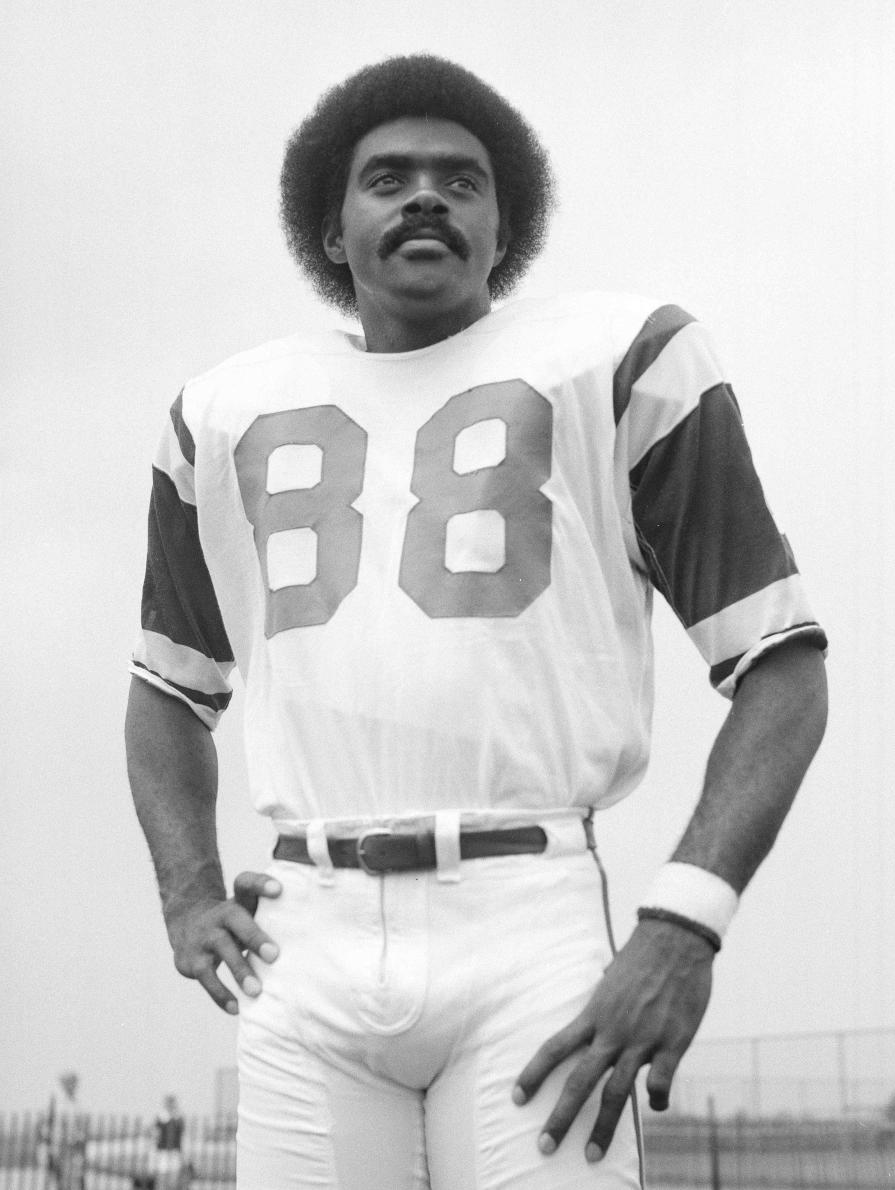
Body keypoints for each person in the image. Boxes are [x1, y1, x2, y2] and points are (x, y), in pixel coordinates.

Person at [125, 54, 828, 1190]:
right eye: (388, 177)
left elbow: (783, 666)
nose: (425, 197)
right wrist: (187, 890)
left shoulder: (619, 359)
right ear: (332, 229)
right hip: (306, 929)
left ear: (508, 227)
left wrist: (684, 919)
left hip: (527, 917)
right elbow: (166, 690)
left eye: (462, 180)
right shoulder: (219, 411)